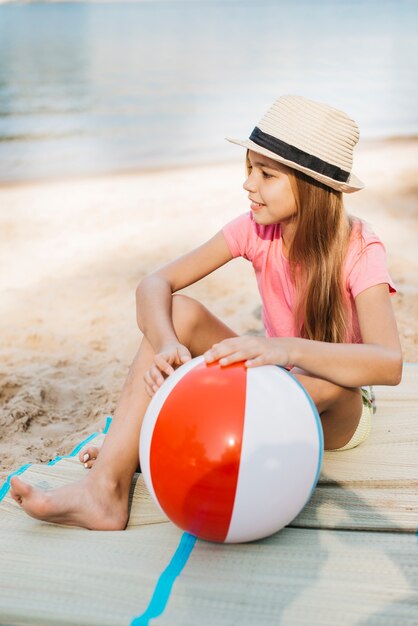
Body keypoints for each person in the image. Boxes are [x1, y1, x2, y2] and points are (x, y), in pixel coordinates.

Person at [10, 95, 402, 530]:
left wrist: (280, 347)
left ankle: (148, 442)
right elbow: (155, 284)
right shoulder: (255, 229)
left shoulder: (361, 248)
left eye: (266, 174)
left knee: (331, 386)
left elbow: (389, 363)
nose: (249, 185)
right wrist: (167, 345)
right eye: (249, 169)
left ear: (311, 187)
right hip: (277, 383)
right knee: (178, 311)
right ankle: (105, 491)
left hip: (339, 407)